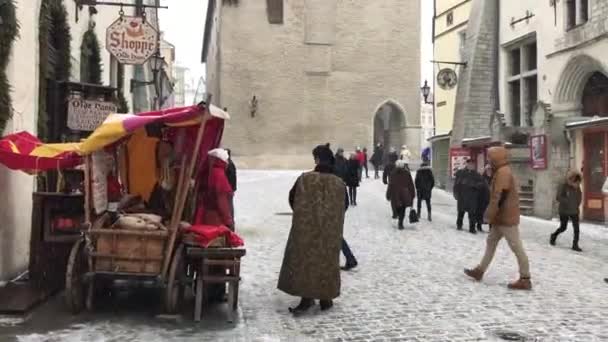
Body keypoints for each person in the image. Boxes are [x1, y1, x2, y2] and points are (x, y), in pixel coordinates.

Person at [279, 143, 347, 314]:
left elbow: (292, 199)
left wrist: (306, 216)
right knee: (326, 261)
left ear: (317, 159)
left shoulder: (304, 179)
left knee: (307, 262)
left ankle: (307, 298)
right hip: (330, 230)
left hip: (306, 228)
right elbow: (344, 205)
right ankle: (326, 298)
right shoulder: (339, 183)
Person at [464, 146, 532, 290]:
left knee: (516, 247)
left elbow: (498, 197)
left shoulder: (503, 173)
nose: (489, 160)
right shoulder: (500, 171)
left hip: (506, 217)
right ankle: (480, 270)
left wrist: (489, 214)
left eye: (490, 157)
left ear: (497, 158)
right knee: (491, 242)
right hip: (500, 217)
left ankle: (525, 278)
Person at [550, 171, 583, 252]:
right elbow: (558, 197)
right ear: (571, 180)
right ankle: (553, 235)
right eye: (576, 183)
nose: (577, 185)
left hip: (574, 210)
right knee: (563, 227)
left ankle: (575, 245)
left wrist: (577, 204)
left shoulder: (578, 187)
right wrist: (567, 201)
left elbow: (579, 196)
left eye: (578, 183)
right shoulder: (563, 186)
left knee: (576, 229)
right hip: (564, 210)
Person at [454, 159, 486, 234]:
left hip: (472, 197)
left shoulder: (477, 175)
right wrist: (456, 193)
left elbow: (482, 184)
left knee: (472, 213)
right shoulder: (461, 173)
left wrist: (474, 185)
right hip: (462, 196)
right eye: (470, 164)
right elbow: (456, 184)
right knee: (461, 212)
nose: (471, 166)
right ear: (467, 164)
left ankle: (472, 228)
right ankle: (459, 225)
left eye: (472, 164)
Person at [387, 160, 416, 230]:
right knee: (403, 209)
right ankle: (400, 223)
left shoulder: (393, 173)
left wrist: (388, 194)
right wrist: (412, 193)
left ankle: (397, 217)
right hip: (404, 194)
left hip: (395, 194)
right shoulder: (407, 173)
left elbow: (390, 185)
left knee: (397, 207)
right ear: (403, 166)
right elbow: (411, 184)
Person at [383, 148, 400, 218]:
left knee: (393, 199)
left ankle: (395, 213)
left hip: (391, 182)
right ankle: (397, 212)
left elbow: (385, 173)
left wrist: (384, 180)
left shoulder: (388, 165)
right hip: (398, 182)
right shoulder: (398, 164)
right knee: (398, 198)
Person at [225, 148, 237, 226]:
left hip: (228, 189)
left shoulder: (228, 165)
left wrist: (231, 189)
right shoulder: (231, 164)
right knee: (229, 206)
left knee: (229, 207)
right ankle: (231, 223)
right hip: (230, 189)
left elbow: (231, 178)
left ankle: (231, 224)